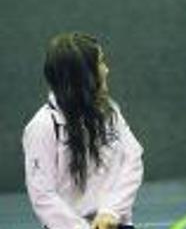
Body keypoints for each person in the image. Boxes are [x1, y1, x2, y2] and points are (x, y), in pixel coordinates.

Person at [23, 32, 143, 229]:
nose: (107, 70)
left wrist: (111, 211)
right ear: (83, 75)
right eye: (100, 63)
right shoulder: (42, 127)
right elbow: (42, 194)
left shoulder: (110, 112)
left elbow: (132, 160)